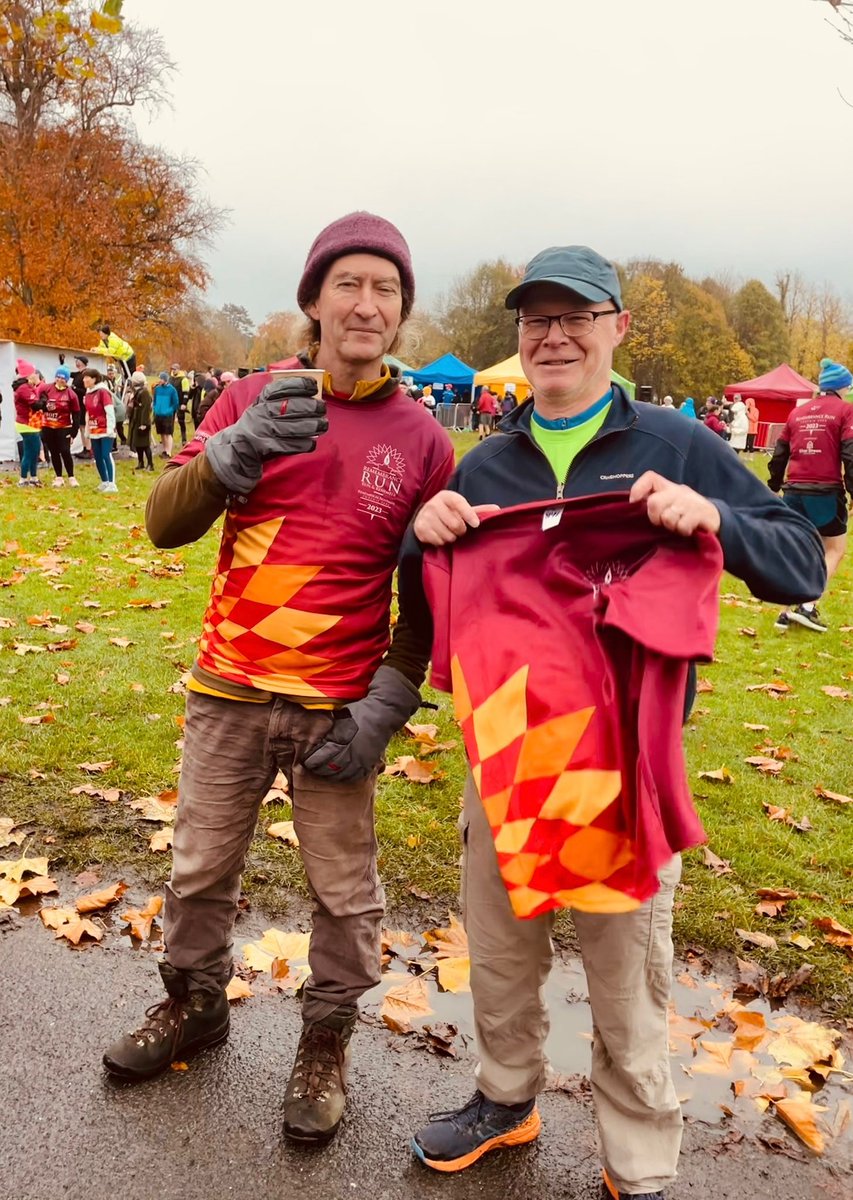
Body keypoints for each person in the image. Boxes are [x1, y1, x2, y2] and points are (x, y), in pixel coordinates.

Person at [400, 244, 826, 1200]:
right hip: (504, 757)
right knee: (500, 950)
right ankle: (505, 1099)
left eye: (575, 317)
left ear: (615, 329)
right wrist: (417, 537)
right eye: (536, 320)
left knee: (626, 971)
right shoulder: (486, 460)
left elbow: (804, 564)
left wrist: (711, 513)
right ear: (517, 339)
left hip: (627, 765)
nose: (554, 336)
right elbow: (433, 617)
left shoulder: (676, 443)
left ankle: (637, 1156)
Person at [101, 212, 455, 1148]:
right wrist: (233, 449)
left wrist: (389, 701)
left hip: (337, 707)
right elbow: (162, 523)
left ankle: (324, 1043)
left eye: (386, 288)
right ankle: (196, 1004)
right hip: (228, 689)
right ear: (313, 300)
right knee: (198, 867)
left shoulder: (423, 440)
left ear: (400, 313)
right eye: (348, 284)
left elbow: (421, 596)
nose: (366, 303)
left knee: (346, 894)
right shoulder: (250, 399)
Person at [768, 357, 853, 634]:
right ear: (842, 387)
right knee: (834, 549)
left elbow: (779, 453)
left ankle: (783, 613)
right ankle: (807, 605)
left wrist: (774, 484)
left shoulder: (798, 413)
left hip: (792, 492)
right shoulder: (845, 411)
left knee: (798, 550)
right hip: (825, 491)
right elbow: (850, 454)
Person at [38, 367, 81, 486]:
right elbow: (38, 403)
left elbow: (77, 414)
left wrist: (74, 432)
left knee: (65, 451)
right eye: (58, 377)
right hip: (48, 426)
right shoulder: (46, 388)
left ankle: (71, 477)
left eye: (63, 378)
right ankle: (59, 477)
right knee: (54, 451)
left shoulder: (71, 394)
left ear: (67, 380)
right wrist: (44, 406)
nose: (60, 380)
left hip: (64, 426)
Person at [82, 367, 118, 493]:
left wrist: (110, 428)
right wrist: (87, 429)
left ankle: (112, 483)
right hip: (94, 429)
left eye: (87, 377)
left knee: (105, 454)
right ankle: (104, 481)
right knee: (97, 456)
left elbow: (109, 411)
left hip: (105, 429)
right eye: (84, 377)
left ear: (94, 379)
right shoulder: (87, 393)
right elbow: (88, 412)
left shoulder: (103, 392)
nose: (84, 380)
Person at [13, 360, 44, 486]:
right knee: (30, 452)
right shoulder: (24, 388)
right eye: (34, 373)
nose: (36, 375)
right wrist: (44, 399)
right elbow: (36, 405)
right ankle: (23, 479)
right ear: (28, 374)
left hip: (30, 423)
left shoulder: (26, 387)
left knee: (33, 451)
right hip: (28, 424)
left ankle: (33, 477)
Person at [127, 370, 154, 471]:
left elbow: (145, 409)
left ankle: (150, 464)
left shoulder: (145, 392)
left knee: (145, 444)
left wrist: (143, 423)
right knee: (138, 444)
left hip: (142, 422)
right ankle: (141, 462)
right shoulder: (137, 392)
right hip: (136, 420)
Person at [152, 371, 180, 457]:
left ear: (165, 380)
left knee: (168, 433)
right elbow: (155, 400)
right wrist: (155, 409)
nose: (159, 380)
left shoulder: (172, 390)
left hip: (167, 415)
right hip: (158, 414)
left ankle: (168, 451)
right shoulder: (157, 389)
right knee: (162, 433)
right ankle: (164, 449)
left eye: (161, 379)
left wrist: (169, 410)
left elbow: (175, 402)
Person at [170, 364, 192, 445]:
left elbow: (186, 392)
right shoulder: (170, 378)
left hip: (180, 403)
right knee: (170, 422)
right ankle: (169, 438)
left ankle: (184, 439)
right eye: (172, 369)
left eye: (175, 369)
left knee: (181, 421)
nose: (173, 371)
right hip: (171, 403)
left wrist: (184, 403)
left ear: (179, 369)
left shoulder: (184, 379)